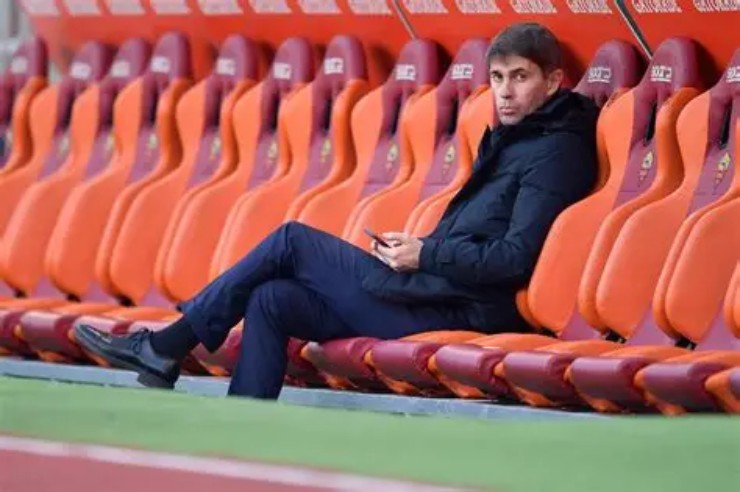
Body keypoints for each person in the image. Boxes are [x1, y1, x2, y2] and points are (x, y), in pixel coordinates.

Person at [74, 22, 599, 399]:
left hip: (458, 310)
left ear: (553, 81)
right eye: (499, 78)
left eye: (520, 78)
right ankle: (241, 427)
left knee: (291, 240)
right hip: (430, 290)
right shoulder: (516, 137)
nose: (505, 93)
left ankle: (166, 345)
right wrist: (415, 250)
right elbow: (479, 233)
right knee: (271, 298)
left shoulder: (556, 151)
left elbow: (514, 258)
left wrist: (426, 255)